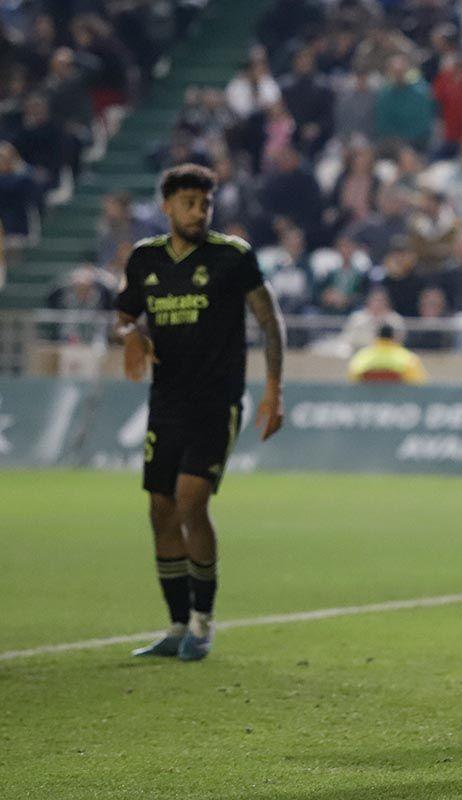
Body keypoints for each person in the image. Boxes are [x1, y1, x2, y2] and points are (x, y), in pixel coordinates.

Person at [115, 164, 286, 662]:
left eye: (205, 203)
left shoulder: (232, 257)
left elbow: (269, 321)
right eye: (188, 202)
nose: (198, 211)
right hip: (166, 401)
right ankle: (174, 626)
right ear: (167, 206)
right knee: (160, 510)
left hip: (217, 401)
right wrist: (130, 336)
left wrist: (274, 389)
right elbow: (124, 317)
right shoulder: (145, 259)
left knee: (191, 503)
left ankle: (203, 624)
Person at [348, 324, 428, 384]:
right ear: (394, 337)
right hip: (399, 403)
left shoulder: (361, 356)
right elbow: (418, 384)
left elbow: (352, 380)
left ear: (376, 337)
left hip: (365, 404)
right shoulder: (408, 358)